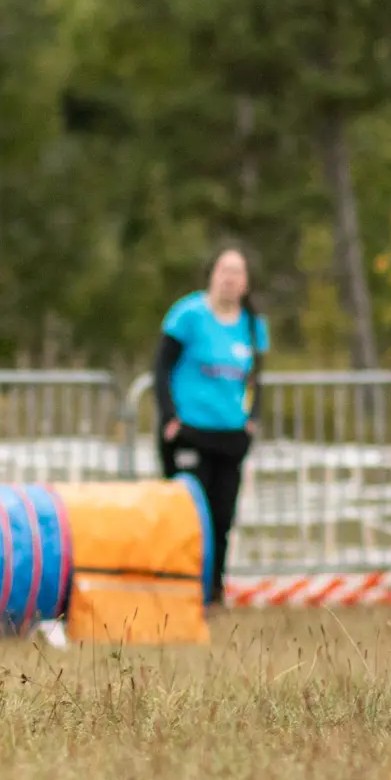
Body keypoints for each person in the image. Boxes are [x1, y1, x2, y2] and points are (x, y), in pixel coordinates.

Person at [154, 247, 268, 606]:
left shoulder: (252, 325)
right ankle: (180, 587)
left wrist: (253, 421)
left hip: (231, 434)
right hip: (190, 432)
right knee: (189, 515)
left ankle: (213, 591)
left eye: (237, 272)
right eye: (224, 270)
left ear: (246, 282)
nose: (230, 279)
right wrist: (169, 416)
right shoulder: (187, 315)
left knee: (222, 517)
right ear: (212, 274)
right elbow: (161, 368)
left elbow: (256, 379)